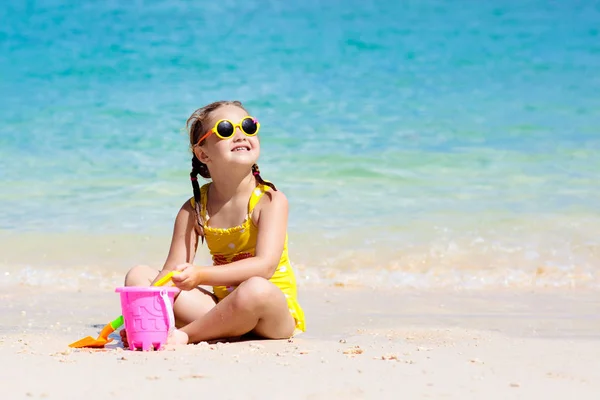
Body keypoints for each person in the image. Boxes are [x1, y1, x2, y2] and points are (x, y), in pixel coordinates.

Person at [122, 100, 305, 346]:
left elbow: (265, 267)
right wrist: (143, 314)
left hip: (270, 315)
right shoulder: (194, 209)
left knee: (255, 288)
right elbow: (170, 274)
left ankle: (187, 335)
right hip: (222, 310)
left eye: (248, 126)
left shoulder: (270, 200)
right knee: (139, 276)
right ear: (203, 154)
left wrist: (200, 275)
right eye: (226, 129)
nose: (240, 134)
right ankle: (168, 327)